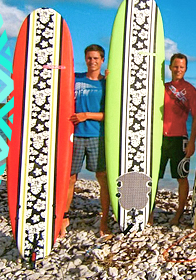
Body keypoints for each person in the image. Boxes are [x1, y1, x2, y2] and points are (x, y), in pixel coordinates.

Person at [68, 44, 110, 236]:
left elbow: (110, 113)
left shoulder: (106, 83)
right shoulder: (74, 79)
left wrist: (87, 115)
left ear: (102, 61)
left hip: (97, 136)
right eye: (89, 58)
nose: (92, 61)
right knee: (69, 179)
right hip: (74, 136)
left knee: (102, 177)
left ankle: (104, 221)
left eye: (96, 58)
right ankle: (63, 218)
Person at [161, 53, 196, 226]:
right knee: (153, 176)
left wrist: (192, 141)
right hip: (160, 139)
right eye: (175, 66)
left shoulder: (190, 89)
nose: (178, 70)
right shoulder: (162, 87)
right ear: (170, 67)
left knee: (181, 177)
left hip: (180, 138)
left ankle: (179, 213)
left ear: (186, 69)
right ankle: (146, 211)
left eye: (182, 67)